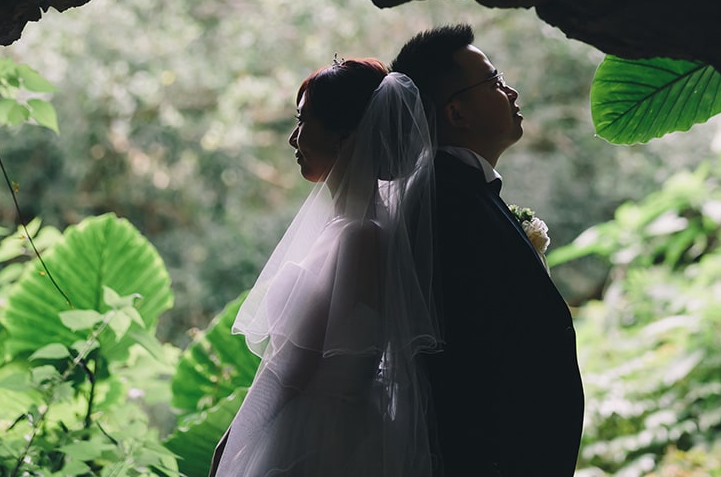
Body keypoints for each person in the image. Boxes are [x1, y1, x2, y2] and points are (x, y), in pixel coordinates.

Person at [209, 57, 441, 477]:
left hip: (319, 440)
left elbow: (292, 367)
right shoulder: (347, 230)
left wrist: (232, 442)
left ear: (346, 135)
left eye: (304, 121)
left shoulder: (361, 237)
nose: (293, 138)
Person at [390, 24, 585, 477]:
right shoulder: (447, 203)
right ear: (457, 114)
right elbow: (474, 355)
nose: (511, 91)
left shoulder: (462, 194)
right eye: (495, 82)